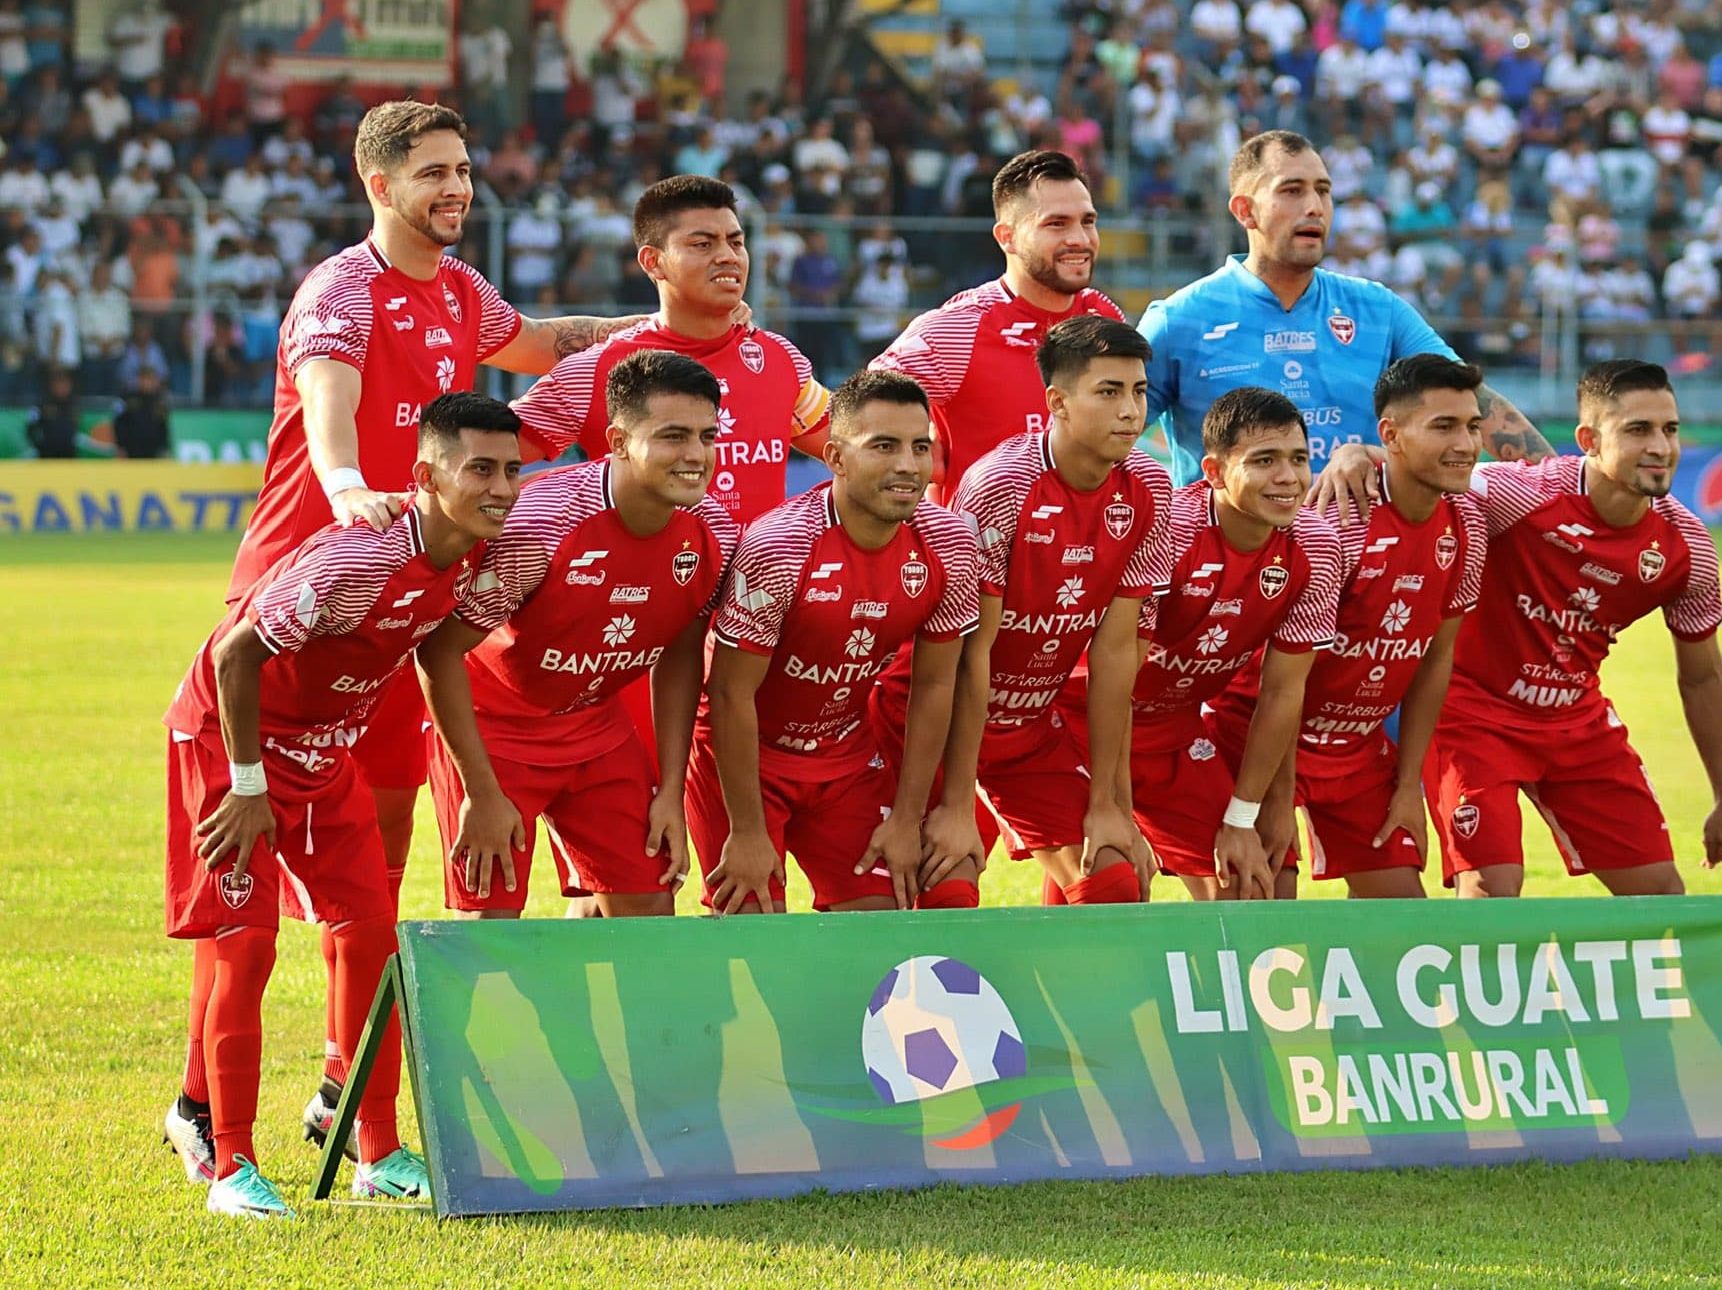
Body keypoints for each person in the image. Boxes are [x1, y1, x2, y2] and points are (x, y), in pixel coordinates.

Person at [229, 99, 645, 1153]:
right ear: (379, 185)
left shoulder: (460, 291)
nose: (456, 188)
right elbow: (328, 403)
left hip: (399, 609)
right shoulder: (340, 290)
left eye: (462, 169)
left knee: (375, 856)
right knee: (248, 884)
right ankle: (209, 1108)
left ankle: (344, 1090)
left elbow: (543, 342)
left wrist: (657, 321)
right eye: (433, 173)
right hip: (304, 592)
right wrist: (344, 483)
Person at [160, 392, 523, 1216]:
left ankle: (378, 1150)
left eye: (511, 469)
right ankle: (233, 1167)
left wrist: (481, 787)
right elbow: (234, 654)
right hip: (230, 748)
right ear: (425, 476)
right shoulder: (357, 559)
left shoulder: (476, 555)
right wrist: (249, 784)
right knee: (244, 949)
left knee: (369, 939)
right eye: (480, 470)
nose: (501, 487)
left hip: (325, 754)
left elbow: (438, 655)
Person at [417, 352, 736, 918]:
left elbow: (683, 654)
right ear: (617, 440)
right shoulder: (540, 526)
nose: (695, 455)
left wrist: (669, 788)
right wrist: (480, 790)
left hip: (597, 728)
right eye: (673, 436)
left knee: (650, 916)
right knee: (490, 930)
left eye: (706, 436)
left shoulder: (713, 531)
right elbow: (439, 651)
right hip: (496, 731)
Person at [1428, 360, 1722, 899]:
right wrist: (1361, 458)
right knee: (1491, 896)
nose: (1661, 448)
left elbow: (1703, 677)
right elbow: (1425, 479)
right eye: (1638, 430)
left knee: (1662, 896)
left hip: (1576, 720)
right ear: (1589, 440)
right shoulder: (1517, 495)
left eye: (1670, 429)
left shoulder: (1686, 546)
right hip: (1471, 714)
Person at [1137, 131, 1552, 513]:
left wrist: (1567, 490)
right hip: (1224, 572)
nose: (1314, 207)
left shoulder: (1376, 308)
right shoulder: (1179, 320)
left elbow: (1469, 396)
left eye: (1323, 191)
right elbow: (1109, 439)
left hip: (1360, 561)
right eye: (1292, 191)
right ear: (1245, 211)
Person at [906, 316, 1173, 907]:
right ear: (1057, 401)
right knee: (943, 892)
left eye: (1138, 391)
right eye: (1108, 392)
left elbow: (1114, 654)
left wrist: (1111, 804)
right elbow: (968, 656)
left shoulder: (1151, 486)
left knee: (1114, 880)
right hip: (935, 718)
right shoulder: (1001, 485)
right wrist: (956, 804)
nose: (1130, 411)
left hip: (1028, 727)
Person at [694, 371, 980, 914]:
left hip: (845, 758)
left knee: (881, 923)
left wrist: (905, 817)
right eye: (884, 446)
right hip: (746, 757)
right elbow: (729, 696)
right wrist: (748, 831)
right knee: (751, 928)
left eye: (920, 447)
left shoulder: (949, 540)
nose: (907, 465)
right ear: (835, 457)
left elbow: (938, 682)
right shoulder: (779, 546)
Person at [1211, 354, 1487, 899]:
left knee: (1403, 924)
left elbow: (1435, 660)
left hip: (1358, 753)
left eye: (1473, 426)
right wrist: (1276, 798)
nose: (1467, 443)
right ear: (1391, 435)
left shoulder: (1470, 521)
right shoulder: (1335, 521)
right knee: (1261, 915)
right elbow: (1282, 682)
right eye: (1444, 426)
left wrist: (1409, 785)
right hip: (1262, 741)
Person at [1069, 386, 1342, 901]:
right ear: (1214, 473)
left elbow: (1283, 693)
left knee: (1250, 888)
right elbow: (1117, 676)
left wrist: (1249, 814)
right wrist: (1118, 809)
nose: (1288, 478)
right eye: (1265, 460)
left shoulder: (1317, 545)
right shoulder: (1170, 530)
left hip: (1174, 731)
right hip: (1083, 726)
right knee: (1111, 884)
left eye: (1299, 459)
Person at [511, 175, 828, 525]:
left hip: (755, 580)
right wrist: (573, 488)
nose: (728, 256)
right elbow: (480, 461)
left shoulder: (779, 357)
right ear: (652, 261)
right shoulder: (598, 368)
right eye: (703, 245)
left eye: (736, 242)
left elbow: (859, 447)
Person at [872, 149, 1124, 500]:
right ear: (1006, 236)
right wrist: (911, 442)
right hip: (976, 552)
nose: (1080, 239)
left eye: (1088, 221)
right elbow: (860, 413)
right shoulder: (959, 327)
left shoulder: (1105, 317)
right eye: (1056, 223)